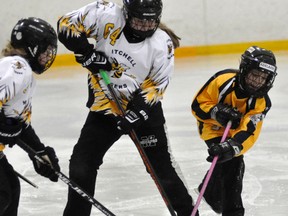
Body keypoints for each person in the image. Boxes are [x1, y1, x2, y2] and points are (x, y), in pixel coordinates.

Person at [57, 0, 198, 215]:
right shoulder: (106, 15)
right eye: (139, 21)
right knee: (80, 167)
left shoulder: (162, 43)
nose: (144, 27)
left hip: (144, 111)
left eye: (150, 22)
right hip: (105, 108)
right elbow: (66, 24)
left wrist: (137, 113)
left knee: (163, 170)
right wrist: (87, 52)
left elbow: (157, 84)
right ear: (127, 13)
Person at [191, 46, 277, 216]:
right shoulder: (222, 80)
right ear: (244, 70)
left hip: (235, 134)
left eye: (263, 77)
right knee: (233, 165)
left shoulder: (261, 103)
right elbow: (198, 105)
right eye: (255, 75)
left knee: (231, 160)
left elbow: (249, 130)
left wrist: (232, 146)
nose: (258, 81)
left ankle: (210, 191)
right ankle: (234, 212)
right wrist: (216, 112)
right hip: (212, 128)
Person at [0, 17, 60, 216]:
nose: (47, 56)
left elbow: (18, 122)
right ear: (33, 47)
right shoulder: (17, 67)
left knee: (9, 186)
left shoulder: (21, 73)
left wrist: (38, 151)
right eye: (45, 50)